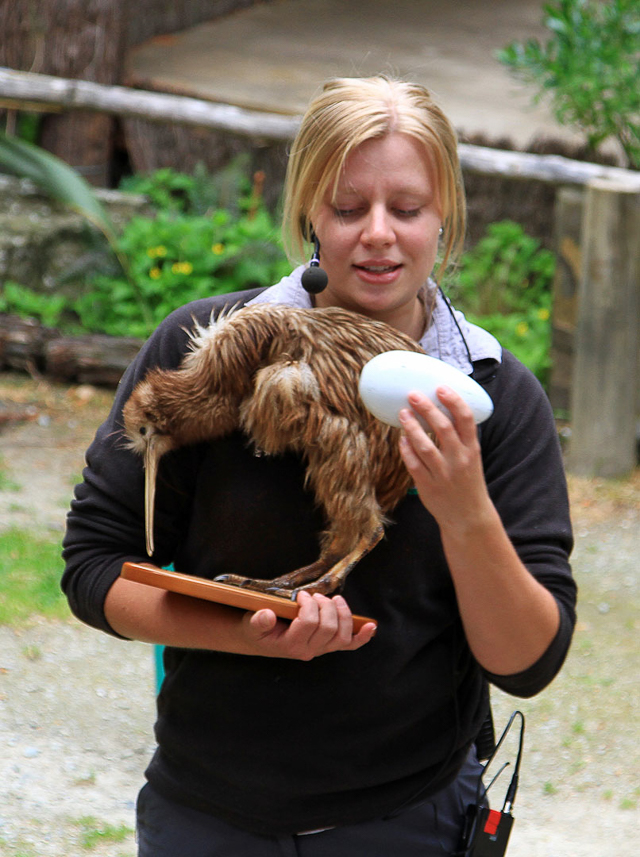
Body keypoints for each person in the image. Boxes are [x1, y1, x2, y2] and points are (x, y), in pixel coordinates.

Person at [62, 75, 576, 856]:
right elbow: (94, 568)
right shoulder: (210, 349)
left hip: (407, 819)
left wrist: (465, 509)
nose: (377, 233)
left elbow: (528, 663)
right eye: (347, 208)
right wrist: (247, 634)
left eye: (406, 209)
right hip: (207, 816)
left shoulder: (489, 395)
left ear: (445, 219)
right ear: (308, 211)